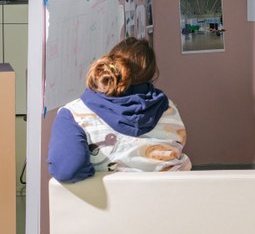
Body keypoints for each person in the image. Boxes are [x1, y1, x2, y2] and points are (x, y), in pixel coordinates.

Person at [48, 38, 190, 183]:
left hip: (109, 204)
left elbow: (66, 170)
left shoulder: (74, 114)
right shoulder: (167, 107)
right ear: (151, 73)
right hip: (170, 200)